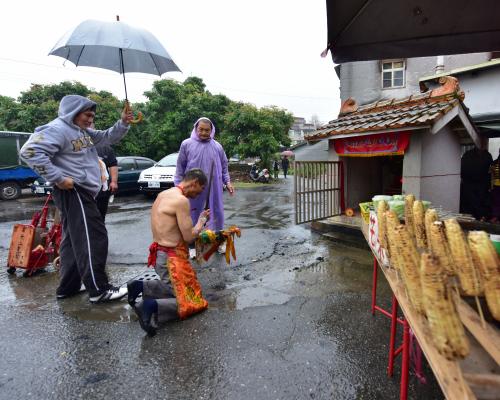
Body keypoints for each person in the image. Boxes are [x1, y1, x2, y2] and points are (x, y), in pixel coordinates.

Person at [20, 95, 133, 303]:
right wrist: (59, 178)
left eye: (92, 116)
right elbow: (29, 151)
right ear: (73, 112)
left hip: (81, 191)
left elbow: (108, 137)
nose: (90, 120)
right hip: (74, 190)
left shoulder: (83, 132)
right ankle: (100, 290)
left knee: (73, 241)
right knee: (94, 236)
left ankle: (68, 288)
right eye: (87, 115)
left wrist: (123, 122)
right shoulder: (57, 129)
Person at [127, 168, 210, 336]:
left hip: (160, 254)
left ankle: (140, 287)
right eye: (200, 189)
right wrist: (201, 222)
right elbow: (188, 237)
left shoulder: (164, 194)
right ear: (194, 183)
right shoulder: (181, 201)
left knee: (173, 287)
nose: (200, 194)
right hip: (171, 259)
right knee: (192, 300)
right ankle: (150, 307)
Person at [174, 117, 234, 257]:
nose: (203, 133)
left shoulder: (217, 146)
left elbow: (224, 166)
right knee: (192, 215)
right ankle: (191, 245)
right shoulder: (186, 144)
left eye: (207, 130)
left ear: (211, 131)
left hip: (214, 187)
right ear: (196, 129)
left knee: (217, 214)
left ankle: (219, 243)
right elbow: (180, 167)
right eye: (201, 129)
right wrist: (178, 187)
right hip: (192, 188)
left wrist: (228, 182)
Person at [460, 145, 493, 220]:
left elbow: (490, 171)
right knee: (473, 205)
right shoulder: (468, 154)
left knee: (476, 204)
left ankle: (477, 218)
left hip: (477, 185)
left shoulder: (486, 155)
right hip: (472, 185)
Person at [95, 144, 119, 221]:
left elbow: (113, 164)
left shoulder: (105, 148)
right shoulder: (79, 145)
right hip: (84, 189)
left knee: (100, 216)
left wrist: (114, 182)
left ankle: (99, 230)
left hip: (102, 189)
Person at [490, 149, 500, 223]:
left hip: (496, 186)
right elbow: (492, 175)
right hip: (496, 185)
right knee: (496, 202)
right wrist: (491, 186)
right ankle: (495, 217)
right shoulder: (494, 162)